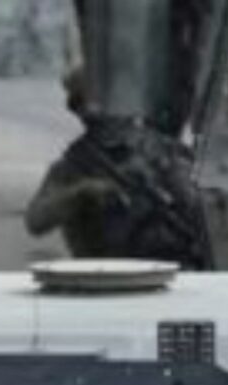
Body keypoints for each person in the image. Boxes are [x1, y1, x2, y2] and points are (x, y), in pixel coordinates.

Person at [25, 66, 210, 270]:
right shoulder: (76, 164)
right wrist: (82, 192)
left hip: (178, 266)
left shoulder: (159, 149)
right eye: (86, 103)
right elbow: (36, 220)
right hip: (113, 274)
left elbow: (201, 206)